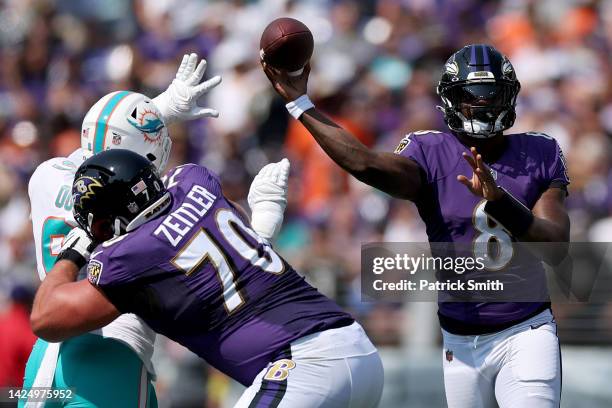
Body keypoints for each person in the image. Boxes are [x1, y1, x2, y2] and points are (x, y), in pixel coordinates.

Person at [262, 44, 569, 408]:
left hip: (525, 331)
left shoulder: (539, 151)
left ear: (510, 96)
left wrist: (500, 201)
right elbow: (364, 164)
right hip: (460, 340)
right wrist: (301, 105)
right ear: (451, 100)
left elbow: (556, 246)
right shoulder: (429, 150)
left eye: (493, 94)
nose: (483, 105)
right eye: (472, 96)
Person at [30, 149, 384, 408]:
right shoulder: (192, 179)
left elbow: (46, 320)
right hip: (359, 351)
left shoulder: (127, 257)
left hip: (303, 368)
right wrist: (264, 220)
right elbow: (227, 235)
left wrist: (72, 253)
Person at [23, 53, 222, 407]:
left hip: (44, 356)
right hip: (113, 353)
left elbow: (100, 159)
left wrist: (151, 114)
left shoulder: (47, 174)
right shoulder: (145, 210)